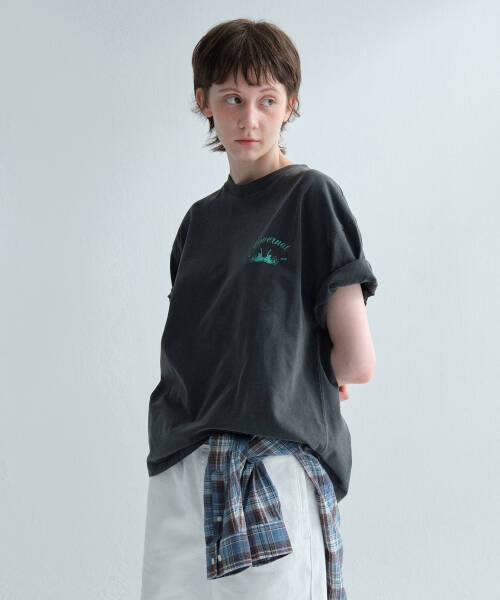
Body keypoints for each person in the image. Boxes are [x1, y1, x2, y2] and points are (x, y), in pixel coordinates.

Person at [140, 18, 378, 600]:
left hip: (268, 465)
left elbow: (356, 361)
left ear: (289, 105)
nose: (250, 118)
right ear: (204, 102)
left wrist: (300, 371)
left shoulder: (311, 197)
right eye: (232, 99)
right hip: (181, 467)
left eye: (267, 100)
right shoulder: (198, 222)